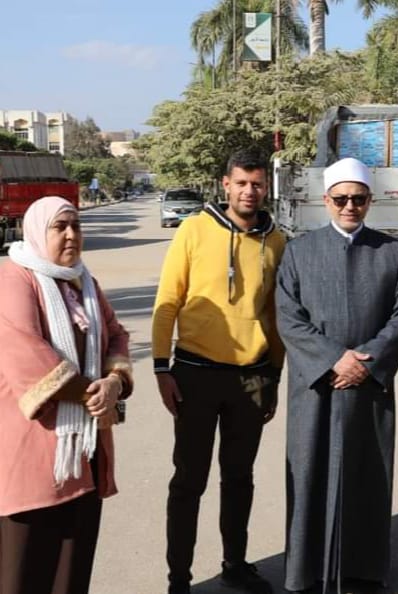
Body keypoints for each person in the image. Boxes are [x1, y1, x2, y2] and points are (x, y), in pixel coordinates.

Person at [276, 157, 398, 593]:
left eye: (358, 198)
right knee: (310, 474)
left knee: (367, 476)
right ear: (326, 200)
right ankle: (306, 574)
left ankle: (364, 571)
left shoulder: (392, 252)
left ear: (370, 200)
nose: (350, 206)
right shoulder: (299, 251)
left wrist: (366, 363)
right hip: (316, 387)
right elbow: (288, 317)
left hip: (368, 387)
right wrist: (334, 360)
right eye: (341, 199)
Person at [152, 150, 286, 594]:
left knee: (240, 477)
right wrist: (161, 367)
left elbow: (275, 316)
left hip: (252, 375)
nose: (250, 191)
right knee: (189, 481)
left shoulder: (276, 240)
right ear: (225, 184)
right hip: (195, 373)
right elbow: (168, 300)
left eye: (257, 183)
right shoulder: (194, 229)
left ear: (266, 187)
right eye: (242, 183)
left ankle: (236, 563)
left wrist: (274, 375)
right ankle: (179, 578)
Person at [0, 196, 133, 594]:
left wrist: (115, 381)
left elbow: (117, 334)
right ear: (37, 232)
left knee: (71, 569)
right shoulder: (14, 279)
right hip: (32, 452)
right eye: (60, 227)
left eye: (76, 225)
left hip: (84, 453)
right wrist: (95, 394)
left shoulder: (84, 281)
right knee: (23, 569)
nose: (72, 234)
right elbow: (25, 353)